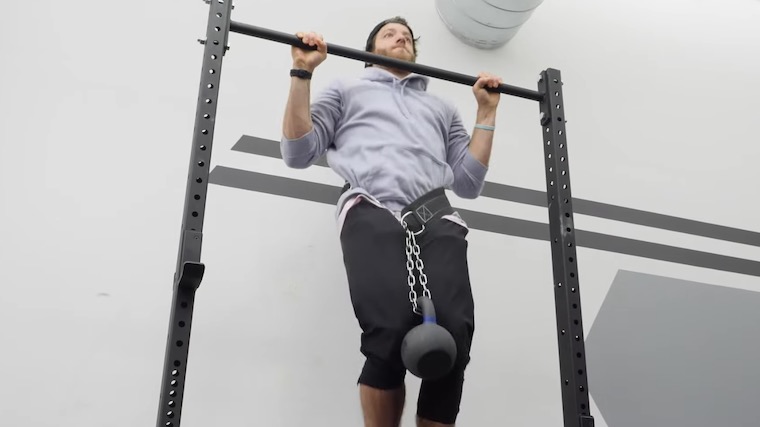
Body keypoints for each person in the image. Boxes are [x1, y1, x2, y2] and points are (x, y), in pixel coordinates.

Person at [280, 16, 502, 427]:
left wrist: (486, 113)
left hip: (434, 212)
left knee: (454, 339)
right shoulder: (346, 89)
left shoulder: (441, 107)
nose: (400, 38)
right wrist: (302, 72)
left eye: (407, 37)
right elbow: (297, 154)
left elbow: (469, 183)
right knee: (391, 327)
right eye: (389, 34)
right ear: (370, 50)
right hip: (370, 204)